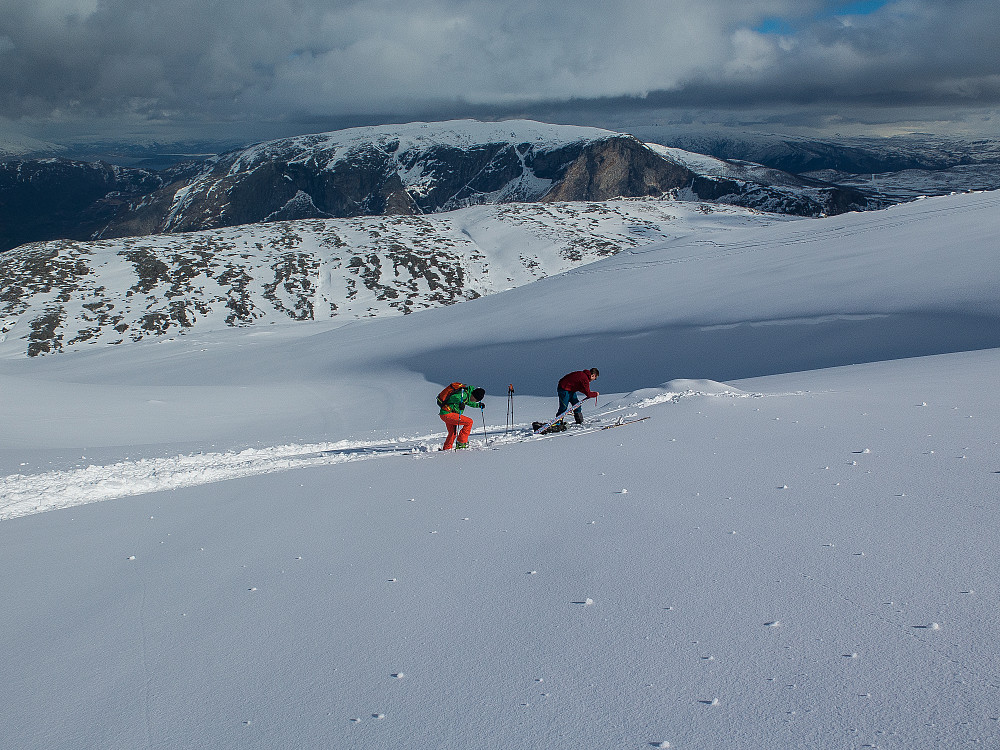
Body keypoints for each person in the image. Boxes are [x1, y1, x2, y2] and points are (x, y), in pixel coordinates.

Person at [438, 384, 486, 450]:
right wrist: (461, 403)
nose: (475, 401)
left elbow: (469, 402)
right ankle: (461, 442)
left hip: (446, 413)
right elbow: (452, 398)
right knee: (469, 422)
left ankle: (447, 449)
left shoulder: (467, 395)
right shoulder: (464, 395)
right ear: (474, 396)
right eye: (476, 400)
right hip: (447, 413)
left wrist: (478, 405)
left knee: (452, 433)